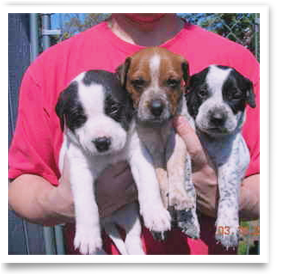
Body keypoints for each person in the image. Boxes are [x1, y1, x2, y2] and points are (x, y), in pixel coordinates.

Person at [8, 13, 259, 255]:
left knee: (227, 224)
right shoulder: (50, 67)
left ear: (185, 80)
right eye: (139, 84)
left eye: (172, 83)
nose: (157, 102)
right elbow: (19, 185)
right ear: (123, 80)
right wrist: (64, 205)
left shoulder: (237, 61)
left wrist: (227, 200)